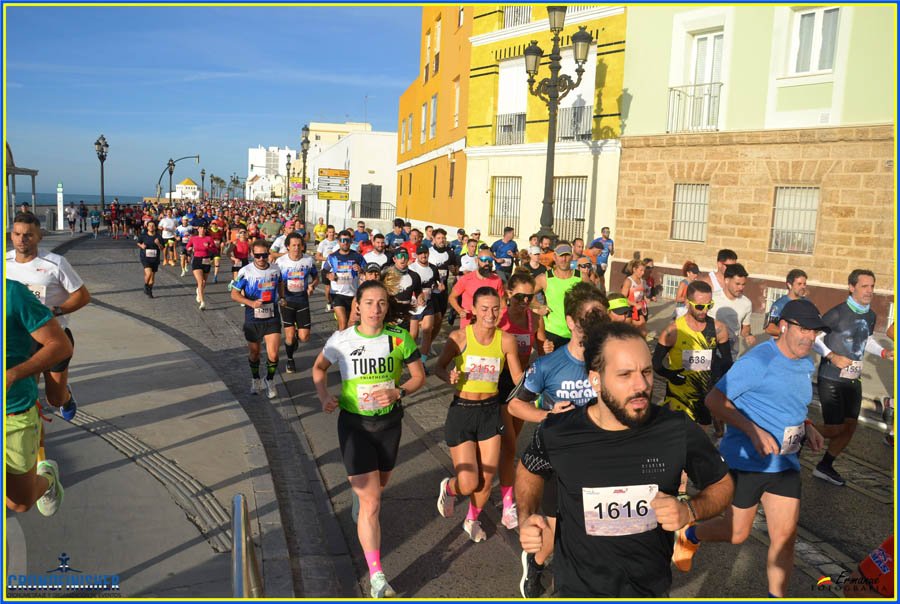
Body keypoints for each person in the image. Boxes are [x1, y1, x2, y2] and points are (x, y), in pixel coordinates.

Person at [516, 321, 733, 597]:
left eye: (646, 372)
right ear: (595, 379)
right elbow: (529, 469)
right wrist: (527, 516)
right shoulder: (559, 431)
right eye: (625, 374)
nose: (641, 385)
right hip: (578, 588)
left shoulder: (676, 429)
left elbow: (723, 484)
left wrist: (690, 511)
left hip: (648, 589)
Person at [679, 299, 829, 598]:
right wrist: (752, 429)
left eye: (815, 332)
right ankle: (689, 533)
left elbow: (791, 402)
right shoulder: (758, 360)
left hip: (785, 464)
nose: (810, 337)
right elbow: (713, 400)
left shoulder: (805, 361)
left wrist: (808, 425)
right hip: (748, 462)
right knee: (737, 534)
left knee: (785, 538)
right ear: (784, 326)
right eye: (804, 329)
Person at [312, 280, 426, 598]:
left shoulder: (398, 338)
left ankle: (359, 502)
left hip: (390, 424)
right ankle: (377, 576)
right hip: (355, 425)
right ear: (357, 306)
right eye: (369, 303)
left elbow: (419, 377)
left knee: (378, 489)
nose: (375, 309)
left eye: (381, 303)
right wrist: (324, 397)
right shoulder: (342, 340)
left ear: (387, 307)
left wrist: (398, 391)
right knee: (373, 503)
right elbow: (319, 369)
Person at [508, 282, 607, 597]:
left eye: (600, 317)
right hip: (556, 457)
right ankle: (535, 563)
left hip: (597, 460)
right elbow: (514, 404)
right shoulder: (548, 365)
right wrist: (546, 416)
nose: (595, 325)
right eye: (588, 318)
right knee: (552, 532)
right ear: (570, 322)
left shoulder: (610, 361)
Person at [435, 287, 523, 543]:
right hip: (462, 412)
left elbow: (518, 378)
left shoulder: (506, 340)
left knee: (487, 478)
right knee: (469, 481)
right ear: (473, 309)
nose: (490, 314)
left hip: (490, 412)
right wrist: (448, 376)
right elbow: (439, 367)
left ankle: (472, 519)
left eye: (495, 308)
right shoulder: (459, 338)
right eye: (484, 308)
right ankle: (450, 488)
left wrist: (540, 385)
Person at [811, 269, 894, 486]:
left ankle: (825, 466)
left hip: (853, 379)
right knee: (836, 428)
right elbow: (813, 338)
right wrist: (832, 356)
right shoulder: (837, 313)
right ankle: (797, 434)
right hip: (832, 377)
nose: (869, 291)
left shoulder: (871, 314)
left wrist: (884, 353)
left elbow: (865, 340)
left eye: (872, 286)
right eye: (864, 286)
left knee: (849, 427)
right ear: (852, 287)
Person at [6, 211, 90, 419]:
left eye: (28, 235)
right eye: (17, 234)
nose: (21, 239)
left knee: (54, 399)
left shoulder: (55, 263)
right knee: (28, 396)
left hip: (53, 337)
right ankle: (34, 441)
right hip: (22, 340)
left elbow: (82, 296)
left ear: (39, 236)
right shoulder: (4, 263)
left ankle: (66, 397)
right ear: (11, 235)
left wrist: (57, 310)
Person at [6, 279, 73, 516]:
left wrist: (13, 374)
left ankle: (48, 478)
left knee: (19, 503)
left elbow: (61, 346)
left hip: (14, 413)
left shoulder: (12, 293)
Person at [495, 271, 551, 533]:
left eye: (530, 297)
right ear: (508, 294)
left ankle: (505, 494)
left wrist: (546, 347)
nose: (526, 302)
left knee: (510, 445)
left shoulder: (534, 318)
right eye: (520, 297)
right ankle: (508, 504)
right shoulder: (498, 318)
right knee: (507, 446)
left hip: (520, 388)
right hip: (495, 386)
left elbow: (540, 350)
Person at [653, 280, 731, 432]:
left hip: (705, 397)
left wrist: (718, 378)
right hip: (679, 396)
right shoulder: (673, 331)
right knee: (677, 441)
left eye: (709, 305)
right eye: (700, 306)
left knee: (700, 444)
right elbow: (655, 363)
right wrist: (670, 375)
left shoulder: (719, 329)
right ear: (688, 303)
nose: (705, 310)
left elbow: (727, 361)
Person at [231, 239, 283, 399]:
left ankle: (269, 380)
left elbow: (280, 284)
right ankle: (255, 379)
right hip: (253, 318)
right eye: (258, 256)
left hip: (272, 316)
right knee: (254, 353)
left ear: (269, 254)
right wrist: (251, 303)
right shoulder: (245, 271)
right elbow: (234, 294)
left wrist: (282, 297)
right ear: (252, 254)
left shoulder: (275, 269)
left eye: (264, 255)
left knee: (273, 354)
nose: (261, 259)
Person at [276, 233, 318, 374]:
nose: (296, 248)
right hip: (287, 301)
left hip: (302, 301)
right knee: (289, 335)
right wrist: (279, 296)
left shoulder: (308, 260)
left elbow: (316, 277)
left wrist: (312, 285)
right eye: (293, 245)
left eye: (299, 245)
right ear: (287, 246)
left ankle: (295, 340)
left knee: (304, 337)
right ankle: (290, 360)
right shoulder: (281, 262)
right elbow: (277, 281)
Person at [535, 242, 581, 349]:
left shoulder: (581, 277)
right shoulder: (545, 278)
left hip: (576, 333)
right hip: (552, 333)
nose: (564, 259)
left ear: (572, 256)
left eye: (567, 255)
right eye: (561, 255)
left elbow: (595, 299)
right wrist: (537, 307)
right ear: (555, 257)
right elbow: (526, 294)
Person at [448, 246, 505, 330]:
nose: (486, 263)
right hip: (468, 323)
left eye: (489, 260)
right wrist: (460, 310)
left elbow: (502, 302)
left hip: (489, 323)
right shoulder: (466, 279)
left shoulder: (497, 280)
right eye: (483, 259)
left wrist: (500, 319)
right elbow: (452, 297)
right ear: (476, 261)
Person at [709, 263, 755, 360]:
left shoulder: (746, 303)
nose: (741, 288)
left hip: (731, 348)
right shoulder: (711, 298)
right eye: (737, 284)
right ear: (726, 280)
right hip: (708, 344)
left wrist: (748, 335)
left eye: (743, 284)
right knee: (699, 373)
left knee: (726, 374)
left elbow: (745, 327)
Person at [324, 230, 366, 331]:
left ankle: (342, 340)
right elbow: (323, 271)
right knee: (343, 324)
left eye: (347, 240)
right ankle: (339, 345)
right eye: (342, 240)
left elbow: (366, 271)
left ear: (351, 241)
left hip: (353, 295)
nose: (345, 242)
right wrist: (329, 275)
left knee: (351, 325)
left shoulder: (357, 256)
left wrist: (360, 270)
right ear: (338, 242)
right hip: (337, 294)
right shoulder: (332, 257)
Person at [409, 245, 442, 360]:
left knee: (427, 330)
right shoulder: (411, 268)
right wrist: (416, 297)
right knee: (413, 335)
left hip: (428, 303)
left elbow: (435, 286)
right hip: (414, 305)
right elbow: (407, 286)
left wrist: (439, 288)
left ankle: (422, 361)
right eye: (421, 253)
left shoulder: (433, 268)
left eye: (425, 253)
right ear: (417, 255)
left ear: (428, 253)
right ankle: (409, 357)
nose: (423, 255)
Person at [427, 228, 458, 344]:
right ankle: (426, 341)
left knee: (439, 322)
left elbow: (455, 270)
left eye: (443, 238)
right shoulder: (429, 252)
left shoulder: (450, 252)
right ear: (433, 240)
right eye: (439, 238)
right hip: (431, 291)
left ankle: (428, 342)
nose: (441, 240)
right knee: (435, 318)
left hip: (444, 290)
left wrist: (454, 270)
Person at [764, 269, 809, 337]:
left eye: (804, 284)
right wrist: (788, 334)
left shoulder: (807, 303)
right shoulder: (780, 304)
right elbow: (769, 328)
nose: (803, 287)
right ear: (789, 285)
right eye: (799, 284)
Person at [186, 224, 217, 310]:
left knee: (204, 282)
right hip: (197, 260)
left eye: (204, 228)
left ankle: (198, 291)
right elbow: (188, 246)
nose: (202, 230)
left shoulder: (209, 238)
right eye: (201, 228)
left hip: (206, 260)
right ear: (198, 229)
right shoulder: (194, 238)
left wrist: (209, 247)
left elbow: (215, 250)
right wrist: (189, 249)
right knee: (200, 281)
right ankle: (203, 302)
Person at [316, 225, 340, 311]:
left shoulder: (338, 242)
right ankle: (329, 302)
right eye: (330, 232)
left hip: (336, 269)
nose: (331, 234)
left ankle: (336, 303)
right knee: (328, 288)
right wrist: (328, 259)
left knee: (337, 287)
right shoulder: (323, 243)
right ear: (326, 233)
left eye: (333, 232)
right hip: (326, 269)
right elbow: (317, 256)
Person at [137, 219, 163, 298]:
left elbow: (162, 248)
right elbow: (138, 242)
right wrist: (141, 246)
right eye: (150, 226)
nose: (151, 227)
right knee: (148, 273)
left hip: (155, 258)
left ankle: (149, 290)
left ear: (155, 227)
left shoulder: (158, 236)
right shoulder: (143, 235)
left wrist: (158, 244)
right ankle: (146, 286)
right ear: (147, 227)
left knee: (152, 278)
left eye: (153, 226)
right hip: (145, 257)